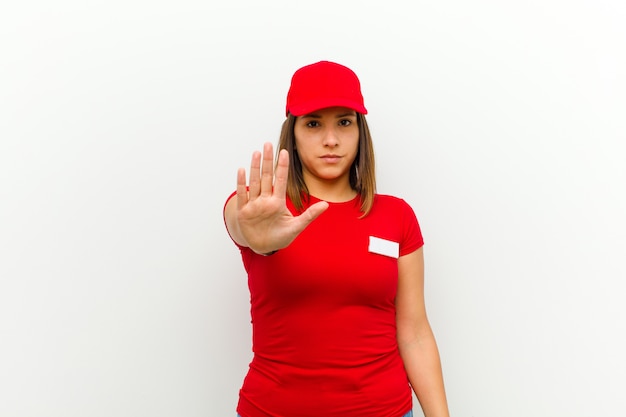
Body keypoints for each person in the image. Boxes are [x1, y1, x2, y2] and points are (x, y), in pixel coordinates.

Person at [223, 60, 449, 417]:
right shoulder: (263, 208)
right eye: (313, 124)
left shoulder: (396, 216)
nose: (331, 140)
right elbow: (238, 220)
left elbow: (415, 333)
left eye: (344, 122)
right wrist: (253, 236)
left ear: (360, 131)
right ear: (292, 135)